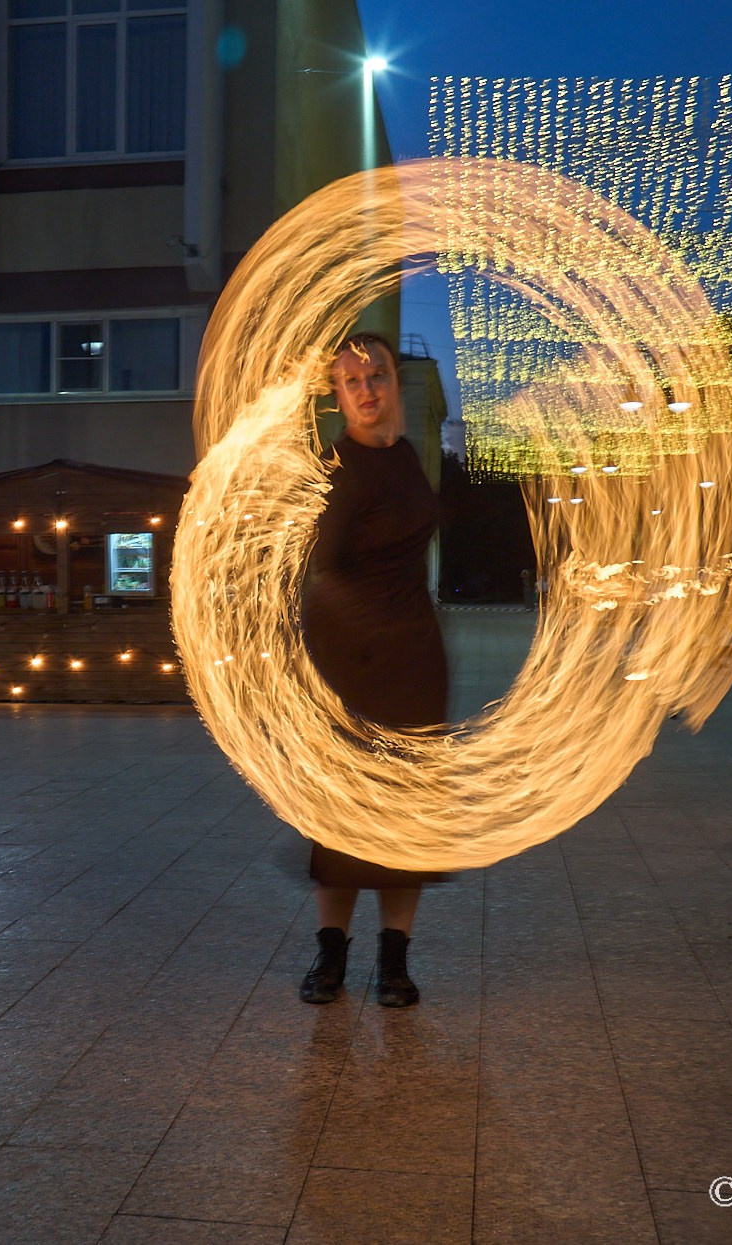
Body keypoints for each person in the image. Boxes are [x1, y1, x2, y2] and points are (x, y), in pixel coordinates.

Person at [296, 332, 447, 1007]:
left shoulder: (409, 457)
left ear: (393, 382)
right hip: (354, 662)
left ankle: (395, 962)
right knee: (343, 821)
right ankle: (331, 958)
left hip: (414, 659)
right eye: (351, 380)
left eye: (377, 375)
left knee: (404, 820)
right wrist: (347, 651)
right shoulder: (336, 466)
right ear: (336, 393)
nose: (366, 389)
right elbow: (321, 574)